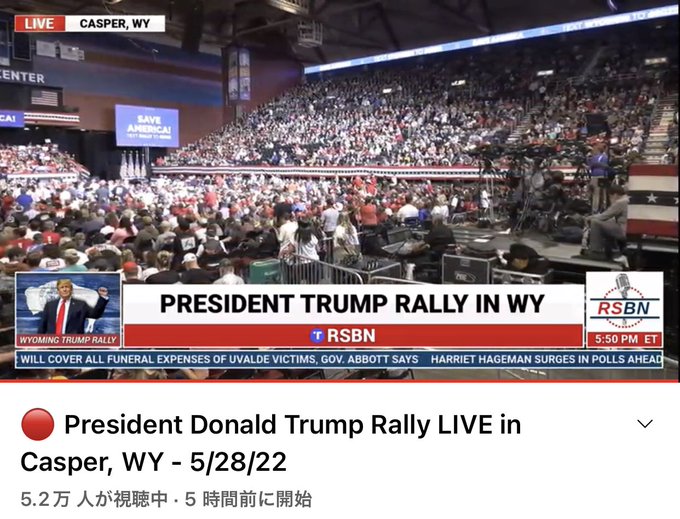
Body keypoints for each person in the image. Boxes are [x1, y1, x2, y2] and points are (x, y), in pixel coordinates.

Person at [38, 279, 109, 334]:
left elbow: (95, 315)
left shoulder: (81, 304)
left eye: (67, 287)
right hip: (53, 343)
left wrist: (102, 297)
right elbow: (43, 325)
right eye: (62, 287)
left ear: (71, 290)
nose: (64, 289)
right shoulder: (50, 305)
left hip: (73, 343)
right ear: (58, 291)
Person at [582, 184, 628, 262]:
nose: (610, 199)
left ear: (615, 195)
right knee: (607, 224)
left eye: (610, 197)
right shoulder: (627, 199)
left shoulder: (620, 202)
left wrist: (589, 218)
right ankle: (612, 250)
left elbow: (603, 216)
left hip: (624, 230)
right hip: (627, 228)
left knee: (595, 222)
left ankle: (596, 251)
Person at [588, 142, 609, 212]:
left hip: (596, 176)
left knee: (595, 194)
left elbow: (590, 167)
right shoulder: (605, 157)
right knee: (603, 193)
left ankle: (595, 209)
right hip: (602, 175)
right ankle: (603, 208)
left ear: (598, 150)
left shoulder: (595, 157)